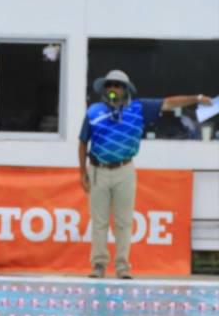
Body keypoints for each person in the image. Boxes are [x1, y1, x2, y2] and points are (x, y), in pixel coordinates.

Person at [79, 70, 211, 279]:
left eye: (118, 85)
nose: (113, 88)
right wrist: (82, 173)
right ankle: (98, 266)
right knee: (99, 222)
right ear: (105, 89)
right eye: (110, 85)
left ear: (126, 89)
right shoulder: (94, 111)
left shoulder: (139, 108)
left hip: (125, 170)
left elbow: (169, 103)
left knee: (124, 222)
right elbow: (83, 141)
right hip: (97, 170)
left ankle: (122, 267)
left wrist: (196, 99)